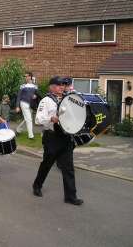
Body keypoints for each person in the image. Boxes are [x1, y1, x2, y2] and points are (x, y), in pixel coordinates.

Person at [32, 76, 83, 206]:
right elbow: (38, 120)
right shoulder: (46, 101)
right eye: (59, 85)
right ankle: (37, 185)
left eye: (63, 85)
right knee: (47, 164)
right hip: (52, 138)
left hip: (65, 137)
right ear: (52, 87)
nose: (62, 87)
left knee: (68, 168)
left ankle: (70, 196)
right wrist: (51, 119)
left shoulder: (68, 99)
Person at [16, 72, 38, 139]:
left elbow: (38, 95)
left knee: (27, 119)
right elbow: (19, 96)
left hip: (31, 104)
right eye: (24, 76)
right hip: (23, 103)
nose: (25, 78)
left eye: (26, 76)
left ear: (30, 77)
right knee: (29, 119)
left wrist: (35, 96)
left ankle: (18, 129)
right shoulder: (22, 86)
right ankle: (31, 136)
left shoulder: (35, 86)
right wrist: (17, 106)